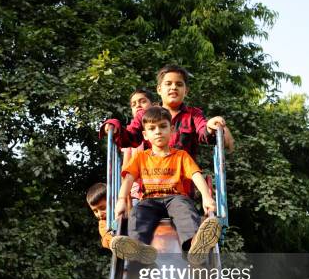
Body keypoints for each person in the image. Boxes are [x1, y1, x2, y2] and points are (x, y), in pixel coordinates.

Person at [109, 106, 222, 265]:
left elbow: (196, 175)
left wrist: (206, 196)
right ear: (145, 135)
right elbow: (128, 178)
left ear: (172, 130)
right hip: (150, 200)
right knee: (137, 214)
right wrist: (121, 199)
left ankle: (195, 246)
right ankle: (138, 249)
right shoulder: (141, 157)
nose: (158, 131)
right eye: (152, 128)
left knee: (186, 211)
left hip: (176, 197)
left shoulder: (181, 155)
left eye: (163, 126)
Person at [99, 64, 234, 162]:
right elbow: (130, 137)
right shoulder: (145, 115)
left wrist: (211, 127)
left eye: (179, 84)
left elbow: (204, 132)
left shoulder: (193, 114)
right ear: (159, 89)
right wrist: (114, 125)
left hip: (182, 186)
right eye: (168, 84)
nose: (173, 87)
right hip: (152, 185)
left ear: (186, 91)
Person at [122, 88, 154, 204]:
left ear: (153, 105)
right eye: (133, 104)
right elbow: (125, 168)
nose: (138, 106)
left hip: (161, 187)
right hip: (137, 193)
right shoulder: (129, 134)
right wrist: (125, 198)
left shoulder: (160, 130)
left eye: (142, 101)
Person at [86, 182, 114, 250]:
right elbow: (106, 238)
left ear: (113, 202)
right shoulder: (103, 224)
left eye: (103, 208)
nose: (99, 214)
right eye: (95, 211)